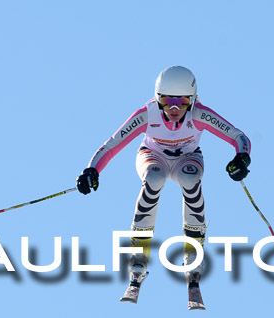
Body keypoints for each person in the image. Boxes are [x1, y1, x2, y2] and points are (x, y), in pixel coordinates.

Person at [76, 65, 251, 301]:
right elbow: (111, 145)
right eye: (168, 101)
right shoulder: (148, 114)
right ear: (158, 98)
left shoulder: (198, 114)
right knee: (154, 178)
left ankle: (193, 249)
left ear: (193, 99)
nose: (175, 109)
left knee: (191, 179)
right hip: (152, 155)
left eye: (182, 101)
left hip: (187, 158)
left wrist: (241, 157)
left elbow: (238, 136)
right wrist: (92, 170)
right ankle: (138, 252)